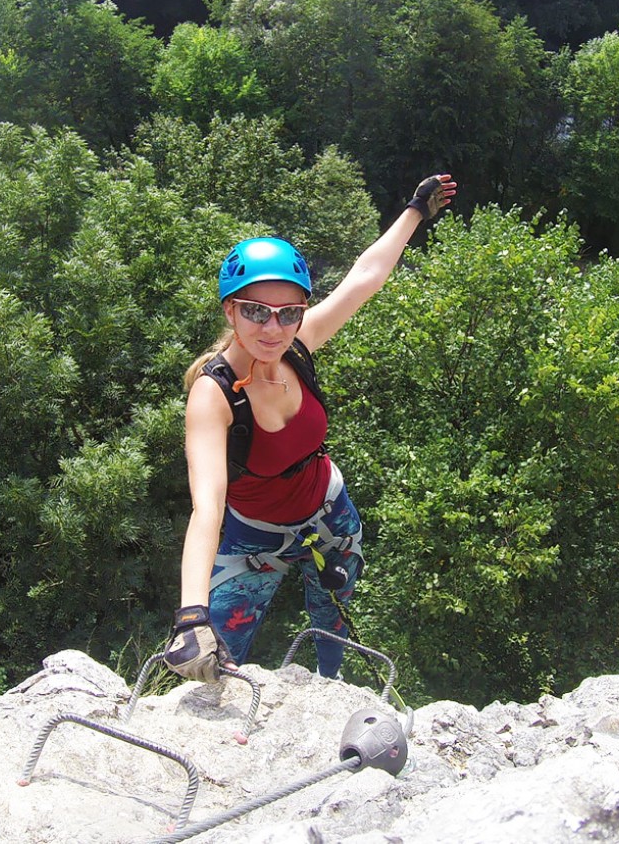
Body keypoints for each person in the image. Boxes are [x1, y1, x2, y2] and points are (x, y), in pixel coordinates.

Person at [164, 174, 457, 683]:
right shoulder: (214, 396)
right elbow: (207, 510)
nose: (272, 328)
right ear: (230, 310)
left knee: (333, 615)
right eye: (255, 311)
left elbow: (365, 276)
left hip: (329, 513)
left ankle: (330, 685)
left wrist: (413, 210)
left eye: (289, 313)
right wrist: (191, 614)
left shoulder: (298, 347)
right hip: (253, 539)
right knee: (215, 656)